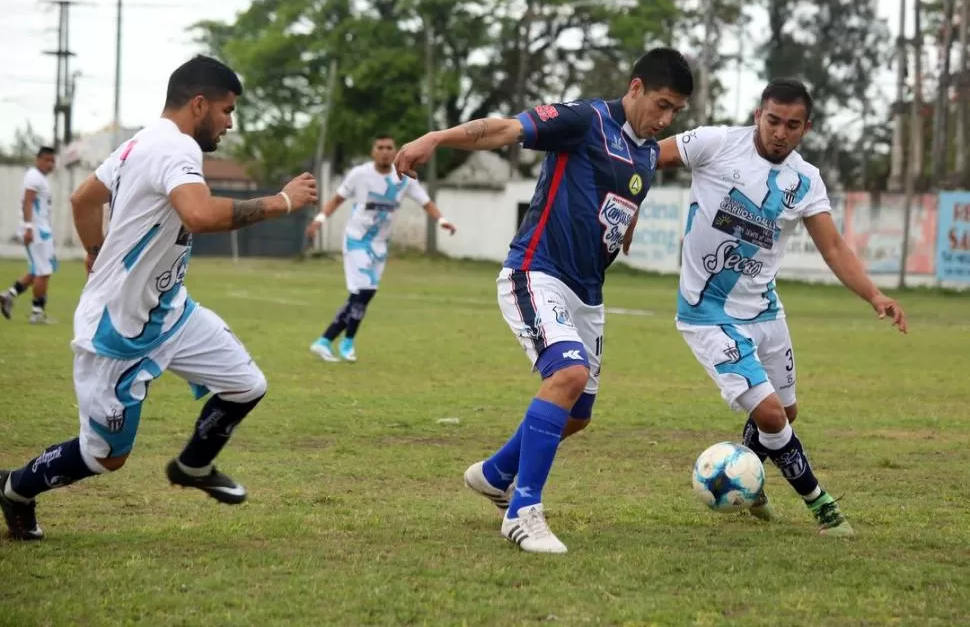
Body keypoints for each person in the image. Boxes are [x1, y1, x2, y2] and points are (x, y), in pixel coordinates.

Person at [0, 55, 318, 541]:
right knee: (104, 458)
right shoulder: (175, 149)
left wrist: (94, 252)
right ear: (199, 104)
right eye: (227, 111)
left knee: (245, 385)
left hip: (169, 313)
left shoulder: (138, 143)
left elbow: (84, 198)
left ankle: (192, 467)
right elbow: (200, 215)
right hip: (117, 331)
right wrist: (283, 201)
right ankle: (16, 489)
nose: (230, 123)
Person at [394, 47, 695, 553]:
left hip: (588, 293)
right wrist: (436, 138)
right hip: (537, 272)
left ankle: (494, 474)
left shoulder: (645, 151)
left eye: (676, 113)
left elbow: (623, 194)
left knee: (577, 413)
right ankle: (522, 510)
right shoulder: (584, 120)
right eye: (662, 105)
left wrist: (626, 226)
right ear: (637, 87)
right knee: (568, 376)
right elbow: (504, 129)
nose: (665, 120)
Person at [652, 77, 908, 537]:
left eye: (792, 125)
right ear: (758, 115)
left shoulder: (805, 180)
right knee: (770, 414)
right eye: (773, 120)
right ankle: (821, 504)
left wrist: (875, 294)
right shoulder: (713, 144)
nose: (780, 133)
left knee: (784, 416)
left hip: (766, 312)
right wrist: (624, 208)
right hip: (708, 313)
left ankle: (747, 481)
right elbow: (644, 158)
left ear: (805, 128)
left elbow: (832, 247)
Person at [305, 134, 455, 362]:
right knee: (362, 291)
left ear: (395, 151)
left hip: (379, 244)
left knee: (364, 295)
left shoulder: (403, 178)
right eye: (380, 147)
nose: (385, 151)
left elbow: (426, 202)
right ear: (373, 151)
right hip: (357, 240)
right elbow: (337, 199)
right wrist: (319, 220)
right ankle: (345, 343)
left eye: (389, 148)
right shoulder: (359, 174)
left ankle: (327, 341)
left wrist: (442, 221)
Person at [1, 146, 58, 324]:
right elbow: (28, 202)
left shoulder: (39, 178)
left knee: (36, 271)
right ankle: (37, 313)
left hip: (40, 230)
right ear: (38, 159)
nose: (50, 164)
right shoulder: (34, 177)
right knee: (44, 271)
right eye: (47, 160)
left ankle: (8, 295)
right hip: (38, 232)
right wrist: (28, 227)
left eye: (53, 161)